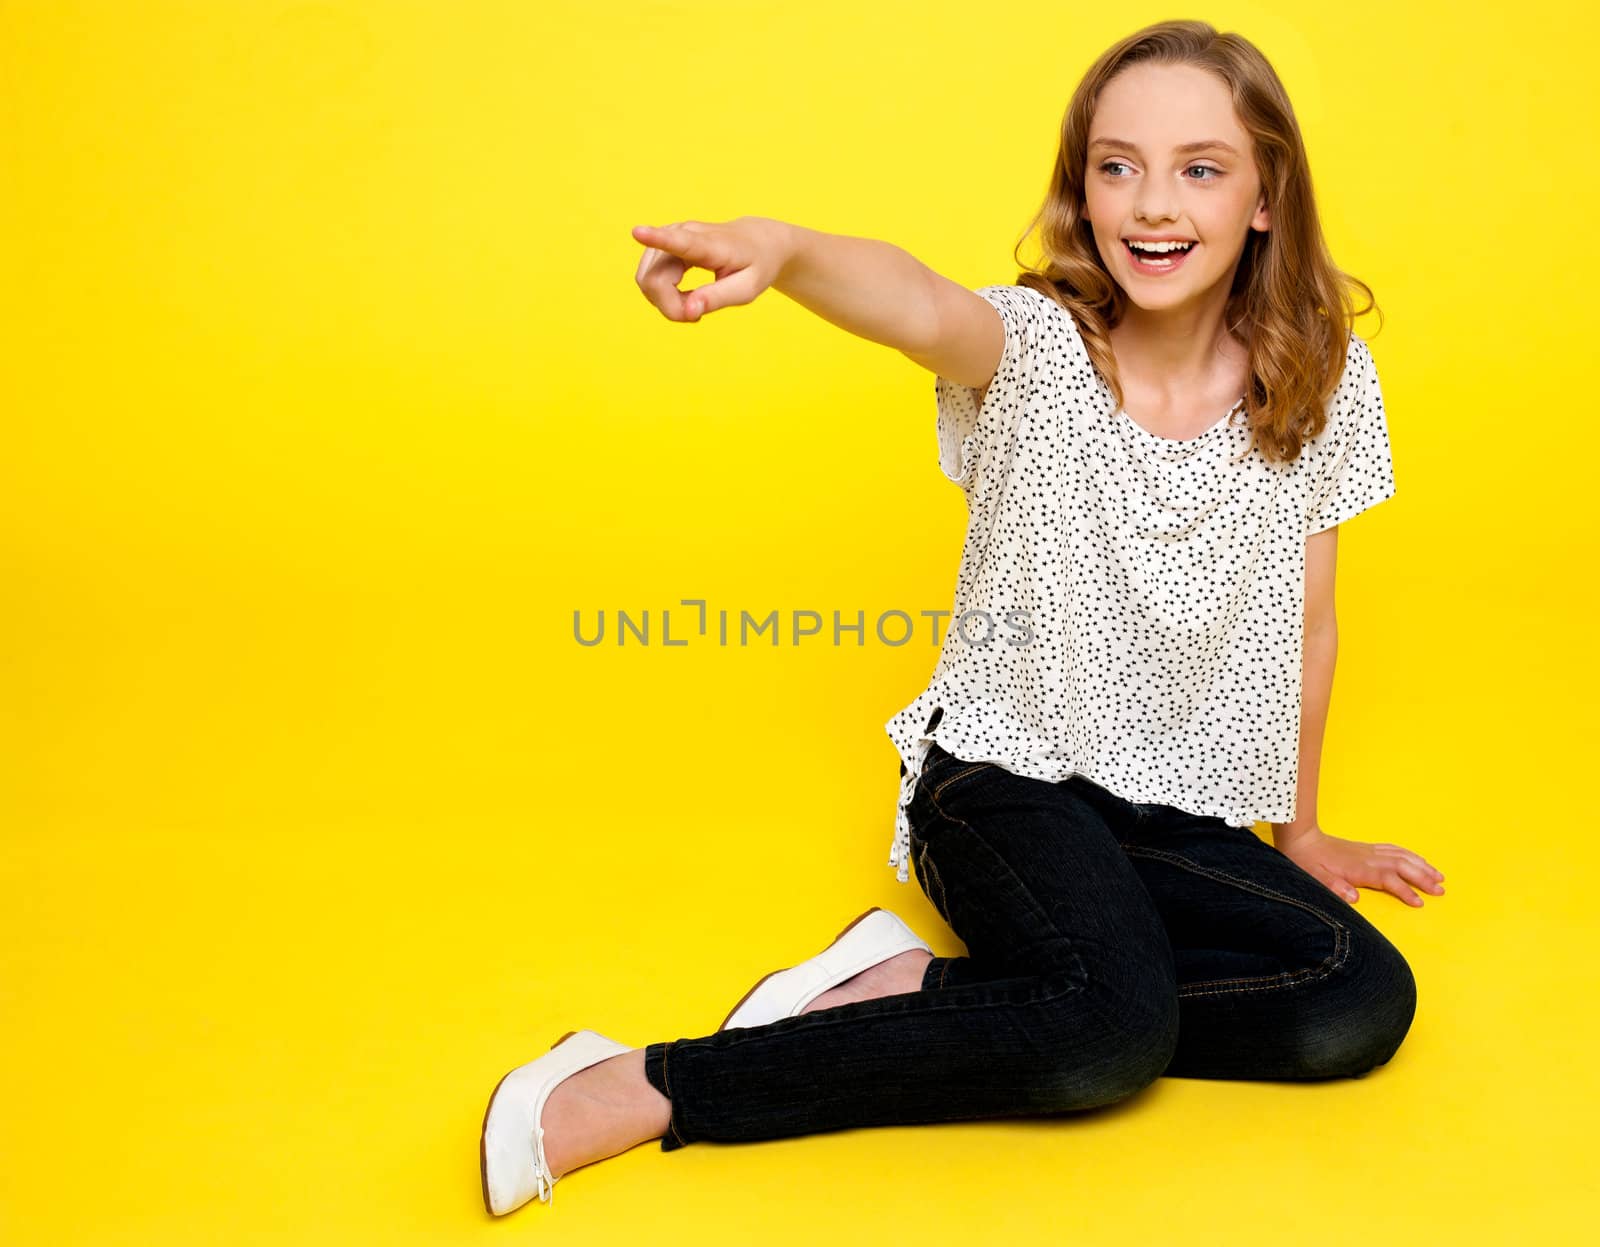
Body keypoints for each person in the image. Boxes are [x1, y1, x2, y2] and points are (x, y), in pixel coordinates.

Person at [479, 18, 1445, 1217]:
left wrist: (1298, 831)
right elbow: (915, 298)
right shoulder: (1037, 348)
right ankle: (645, 1083)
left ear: (1263, 195)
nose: (1152, 202)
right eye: (1115, 164)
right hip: (998, 781)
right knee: (1107, 1030)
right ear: (1082, 190)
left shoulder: (1319, 375)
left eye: (1199, 167)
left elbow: (1309, 622)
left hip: (1168, 802)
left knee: (1354, 996)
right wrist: (785, 251)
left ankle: (906, 984)